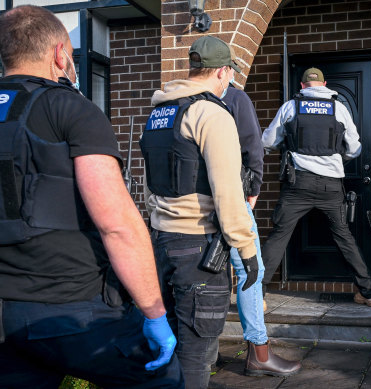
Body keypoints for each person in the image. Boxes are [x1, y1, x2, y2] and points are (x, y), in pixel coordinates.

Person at [0, 5, 183, 388]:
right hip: (75, 313)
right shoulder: (69, 107)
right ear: (59, 53)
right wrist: (154, 314)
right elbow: (117, 224)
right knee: (160, 379)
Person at [139, 36, 260, 388]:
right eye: (229, 76)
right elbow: (228, 191)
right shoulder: (210, 113)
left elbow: (151, 185)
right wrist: (248, 250)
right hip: (198, 249)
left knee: (170, 345)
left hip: (161, 245)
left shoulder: (159, 113)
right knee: (196, 353)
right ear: (222, 72)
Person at [261, 67, 371, 307]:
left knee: (278, 237)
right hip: (331, 186)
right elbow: (355, 148)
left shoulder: (291, 107)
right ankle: (369, 293)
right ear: (325, 84)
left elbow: (268, 142)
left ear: (303, 86)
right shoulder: (339, 108)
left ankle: (256, 297)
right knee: (344, 237)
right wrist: (337, 158)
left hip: (297, 184)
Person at [222, 84, 301, 377]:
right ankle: (259, 353)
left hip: (192, 202)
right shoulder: (233, 96)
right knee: (250, 270)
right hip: (231, 197)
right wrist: (253, 189)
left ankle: (204, 350)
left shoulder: (178, 99)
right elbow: (255, 144)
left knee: (208, 272)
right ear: (223, 70)